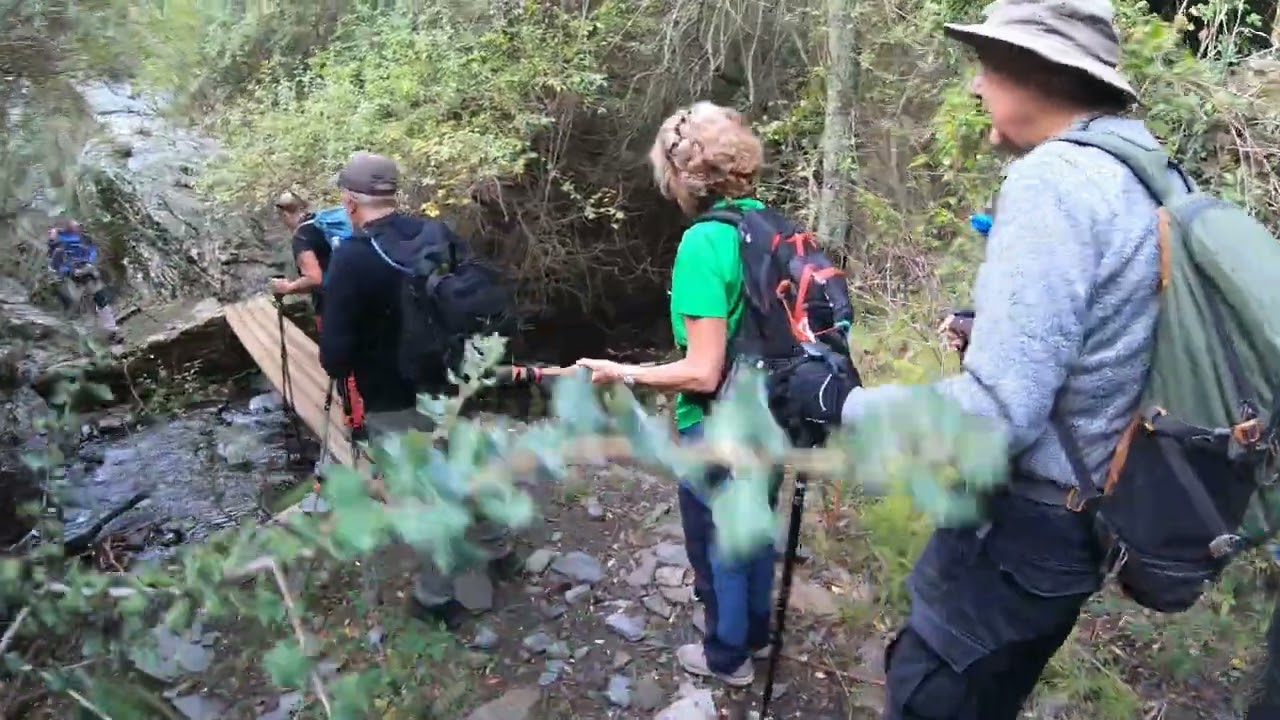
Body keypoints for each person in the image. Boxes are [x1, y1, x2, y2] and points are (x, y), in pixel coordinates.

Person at [768, 0, 1185, 716]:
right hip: (1082, 525)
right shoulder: (1144, 171)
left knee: (932, 697)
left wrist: (838, 402)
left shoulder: (1055, 180)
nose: (974, 87)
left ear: (1039, 72)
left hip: (1024, 532)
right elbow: (1119, 334)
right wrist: (993, 328)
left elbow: (992, 420)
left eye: (989, 66)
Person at [575, 102, 779, 687]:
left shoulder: (702, 245)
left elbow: (703, 371)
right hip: (774, 415)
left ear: (679, 172)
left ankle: (725, 656)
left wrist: (624, 373)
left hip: (719, 425)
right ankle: (755, 636)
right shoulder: (774, 226)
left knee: (718, 541)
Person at [318, 151, 513, 629]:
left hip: (392, 398)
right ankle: (499, 550)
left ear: (349, 202)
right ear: (393, 194)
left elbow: (335, 355)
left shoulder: (351, 259)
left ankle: (434, 598)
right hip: (453, 381)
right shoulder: (437, 233)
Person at [270, 190, 366, 438]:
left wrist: (288, 287)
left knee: (343, 364)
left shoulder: (302, 235)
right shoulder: (332, 223)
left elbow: (315, 277)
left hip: (334, 307)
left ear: (286, 213)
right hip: (364, 299)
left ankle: (357, 424)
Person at [46, 218, 121, 342]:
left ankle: (111, 331)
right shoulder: (59, 243)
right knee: (73, 306)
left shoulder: (84, 239)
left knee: (101, 298)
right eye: (76, 226)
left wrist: (89, 265)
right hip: (72, 278)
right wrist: (70, 271)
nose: (79, 228)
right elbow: (55, 264)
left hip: (88, 273)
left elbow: (92, 252)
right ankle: (72, 337)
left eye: (79, 226)